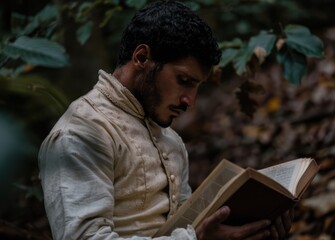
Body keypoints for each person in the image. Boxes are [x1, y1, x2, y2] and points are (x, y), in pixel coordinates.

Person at [38, 1, 293, 239]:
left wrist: (253, 226)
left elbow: (186, 227)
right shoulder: (81, 133)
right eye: (184, 81)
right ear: (141, 58)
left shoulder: (171, 141)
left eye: (197, 87)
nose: (189, 101)